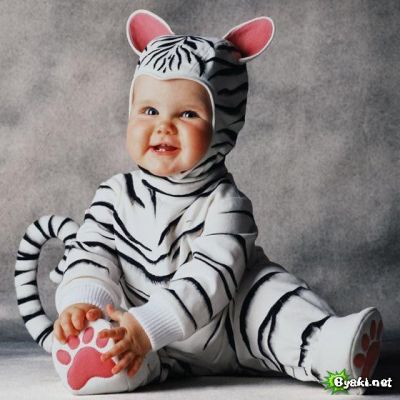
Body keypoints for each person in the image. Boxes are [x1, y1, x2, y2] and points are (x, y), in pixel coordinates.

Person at [48, 9, 382, 395]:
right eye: (149, 110)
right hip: (150, 339)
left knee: (270, 296)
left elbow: (211, 278)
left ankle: (330, 351)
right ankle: (105, 364)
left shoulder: (226, 204)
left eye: (188, 114)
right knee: (114, 340)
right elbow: (91, 255)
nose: (163, 126)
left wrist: (147, 325)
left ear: (223, 126)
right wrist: (82, 304)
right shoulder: (113, 196)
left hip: (231, 327)